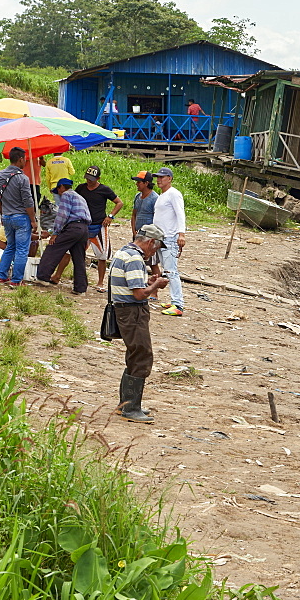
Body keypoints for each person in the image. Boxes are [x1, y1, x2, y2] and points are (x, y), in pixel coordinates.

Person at [109, 224, 169, 423]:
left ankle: (125, 404)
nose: (154, 253)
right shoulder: (135, 258)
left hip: (124, 310)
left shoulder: (124, 252)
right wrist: (155, 285)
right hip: (132, 312)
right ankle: (131, 408)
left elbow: (131, 284)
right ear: (151, 242)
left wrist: (147, 281)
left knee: (135, 353)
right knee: (142, 354)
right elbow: (139, 294)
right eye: (156, 248)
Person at [73, 165, 123, 292]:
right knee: (75, 252)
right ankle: (76, 278)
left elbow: (119, 202)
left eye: (91, 179)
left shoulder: (104, 190)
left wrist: (110, 216)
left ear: (98, 178)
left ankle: (100, 282)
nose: (88, 181)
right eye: (87, 178)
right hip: (84, 224)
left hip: (99, 224)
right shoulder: (81, 188)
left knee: (102, 255)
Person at [36, 178, 91, 294]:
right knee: (79, 258)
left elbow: (62, 215)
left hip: (73, 227)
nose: (59, 193)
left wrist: (55, 233)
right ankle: (80, 288)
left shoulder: (66, 195)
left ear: (61, 187)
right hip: (84, 229)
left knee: (53, 248)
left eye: (58, 190)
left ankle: (43, 277)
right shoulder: (80, 197)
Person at [0, 147, 38, 287]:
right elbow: (28, 201)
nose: (25, 162)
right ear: (20, 159)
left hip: (7, 216)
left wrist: (3, 214)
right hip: (21, 218)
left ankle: (1, 276)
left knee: (10, 247)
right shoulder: (22, 178)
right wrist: (33, 220)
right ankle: (16, 280)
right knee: (22, 249)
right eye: (24, 159)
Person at [152, 167, 186, 316]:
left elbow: (180, 214)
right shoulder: (162, 195)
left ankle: (178, 304)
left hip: (170, 237)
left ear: (169, 178)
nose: (159, 179)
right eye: (157, 177)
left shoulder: (174, 194)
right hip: (161, 237)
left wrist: (181, 234)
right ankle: (173, 301)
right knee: (167, 269)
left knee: (172, 271)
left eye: (162, 177)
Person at [130, 170, 161, 299]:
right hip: (139, 235)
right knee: (139, 261)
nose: (137, 184)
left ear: (146, 183)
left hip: (149, 237)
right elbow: (134, 214)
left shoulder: (155, 198)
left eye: (139, 182)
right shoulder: (138, 197)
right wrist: (133, 231)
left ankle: (155, 292)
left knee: (153, 264)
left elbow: (158, 218)